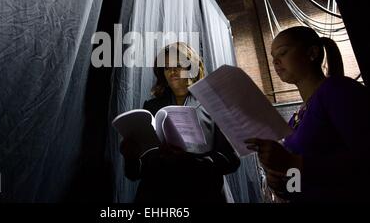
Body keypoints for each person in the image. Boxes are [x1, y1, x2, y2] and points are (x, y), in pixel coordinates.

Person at [245, 26, 370, 202]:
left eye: (283, 53)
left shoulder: (339, 90)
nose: (275, 62)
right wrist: (281, 184)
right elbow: (296, 186)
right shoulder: (297, 117)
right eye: (273, 58)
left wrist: (293, 163)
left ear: (312, 53)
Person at [120, 42, 240, 203]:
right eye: (167, 67)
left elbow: (231, 161)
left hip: (205, 195)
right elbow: (136, 174)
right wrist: (131, 157)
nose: (173, 71)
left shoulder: (213, 104)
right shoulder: (151, 107)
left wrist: (192, 161)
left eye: (179, 65)